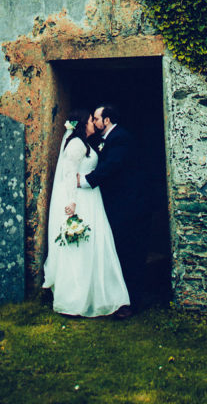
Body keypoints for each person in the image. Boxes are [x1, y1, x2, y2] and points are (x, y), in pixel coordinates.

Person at [42, 109, 129, 317]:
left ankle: (102, 295)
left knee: (97, 244)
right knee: (81, 247)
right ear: (83, 124)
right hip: (81, 200)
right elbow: (69, 174)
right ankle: (75, 297)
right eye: (91, 120)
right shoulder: (76, 144)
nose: (94, 124)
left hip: (93, 199)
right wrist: (71, 202)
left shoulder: (87, 144)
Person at [74, 103, 150, 315]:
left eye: (97, 119)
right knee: (120, 249)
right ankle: (119, 298)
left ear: (106, 120)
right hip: (120, 204)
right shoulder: (107, 139)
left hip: (130, 205)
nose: (95, 122)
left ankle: (130, 303)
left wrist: (86, 180)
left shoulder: (120, 138)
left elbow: (113, 166)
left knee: (129, 252)